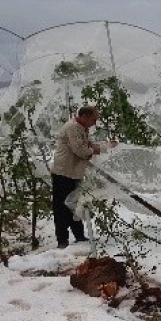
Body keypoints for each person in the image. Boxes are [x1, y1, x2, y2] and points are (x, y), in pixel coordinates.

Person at [51, 106, 115, 249]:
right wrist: (97, 150)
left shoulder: (82, 128)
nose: (95, 123)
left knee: (75, 204)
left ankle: (79, 236)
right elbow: (81, 151)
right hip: (64, 173)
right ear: (85, 116)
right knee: (61, 207)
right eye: (94, 119)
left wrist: (107, 146)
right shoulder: (73, 128)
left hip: (75, 173)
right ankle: (62, 240)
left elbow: (89, 145)